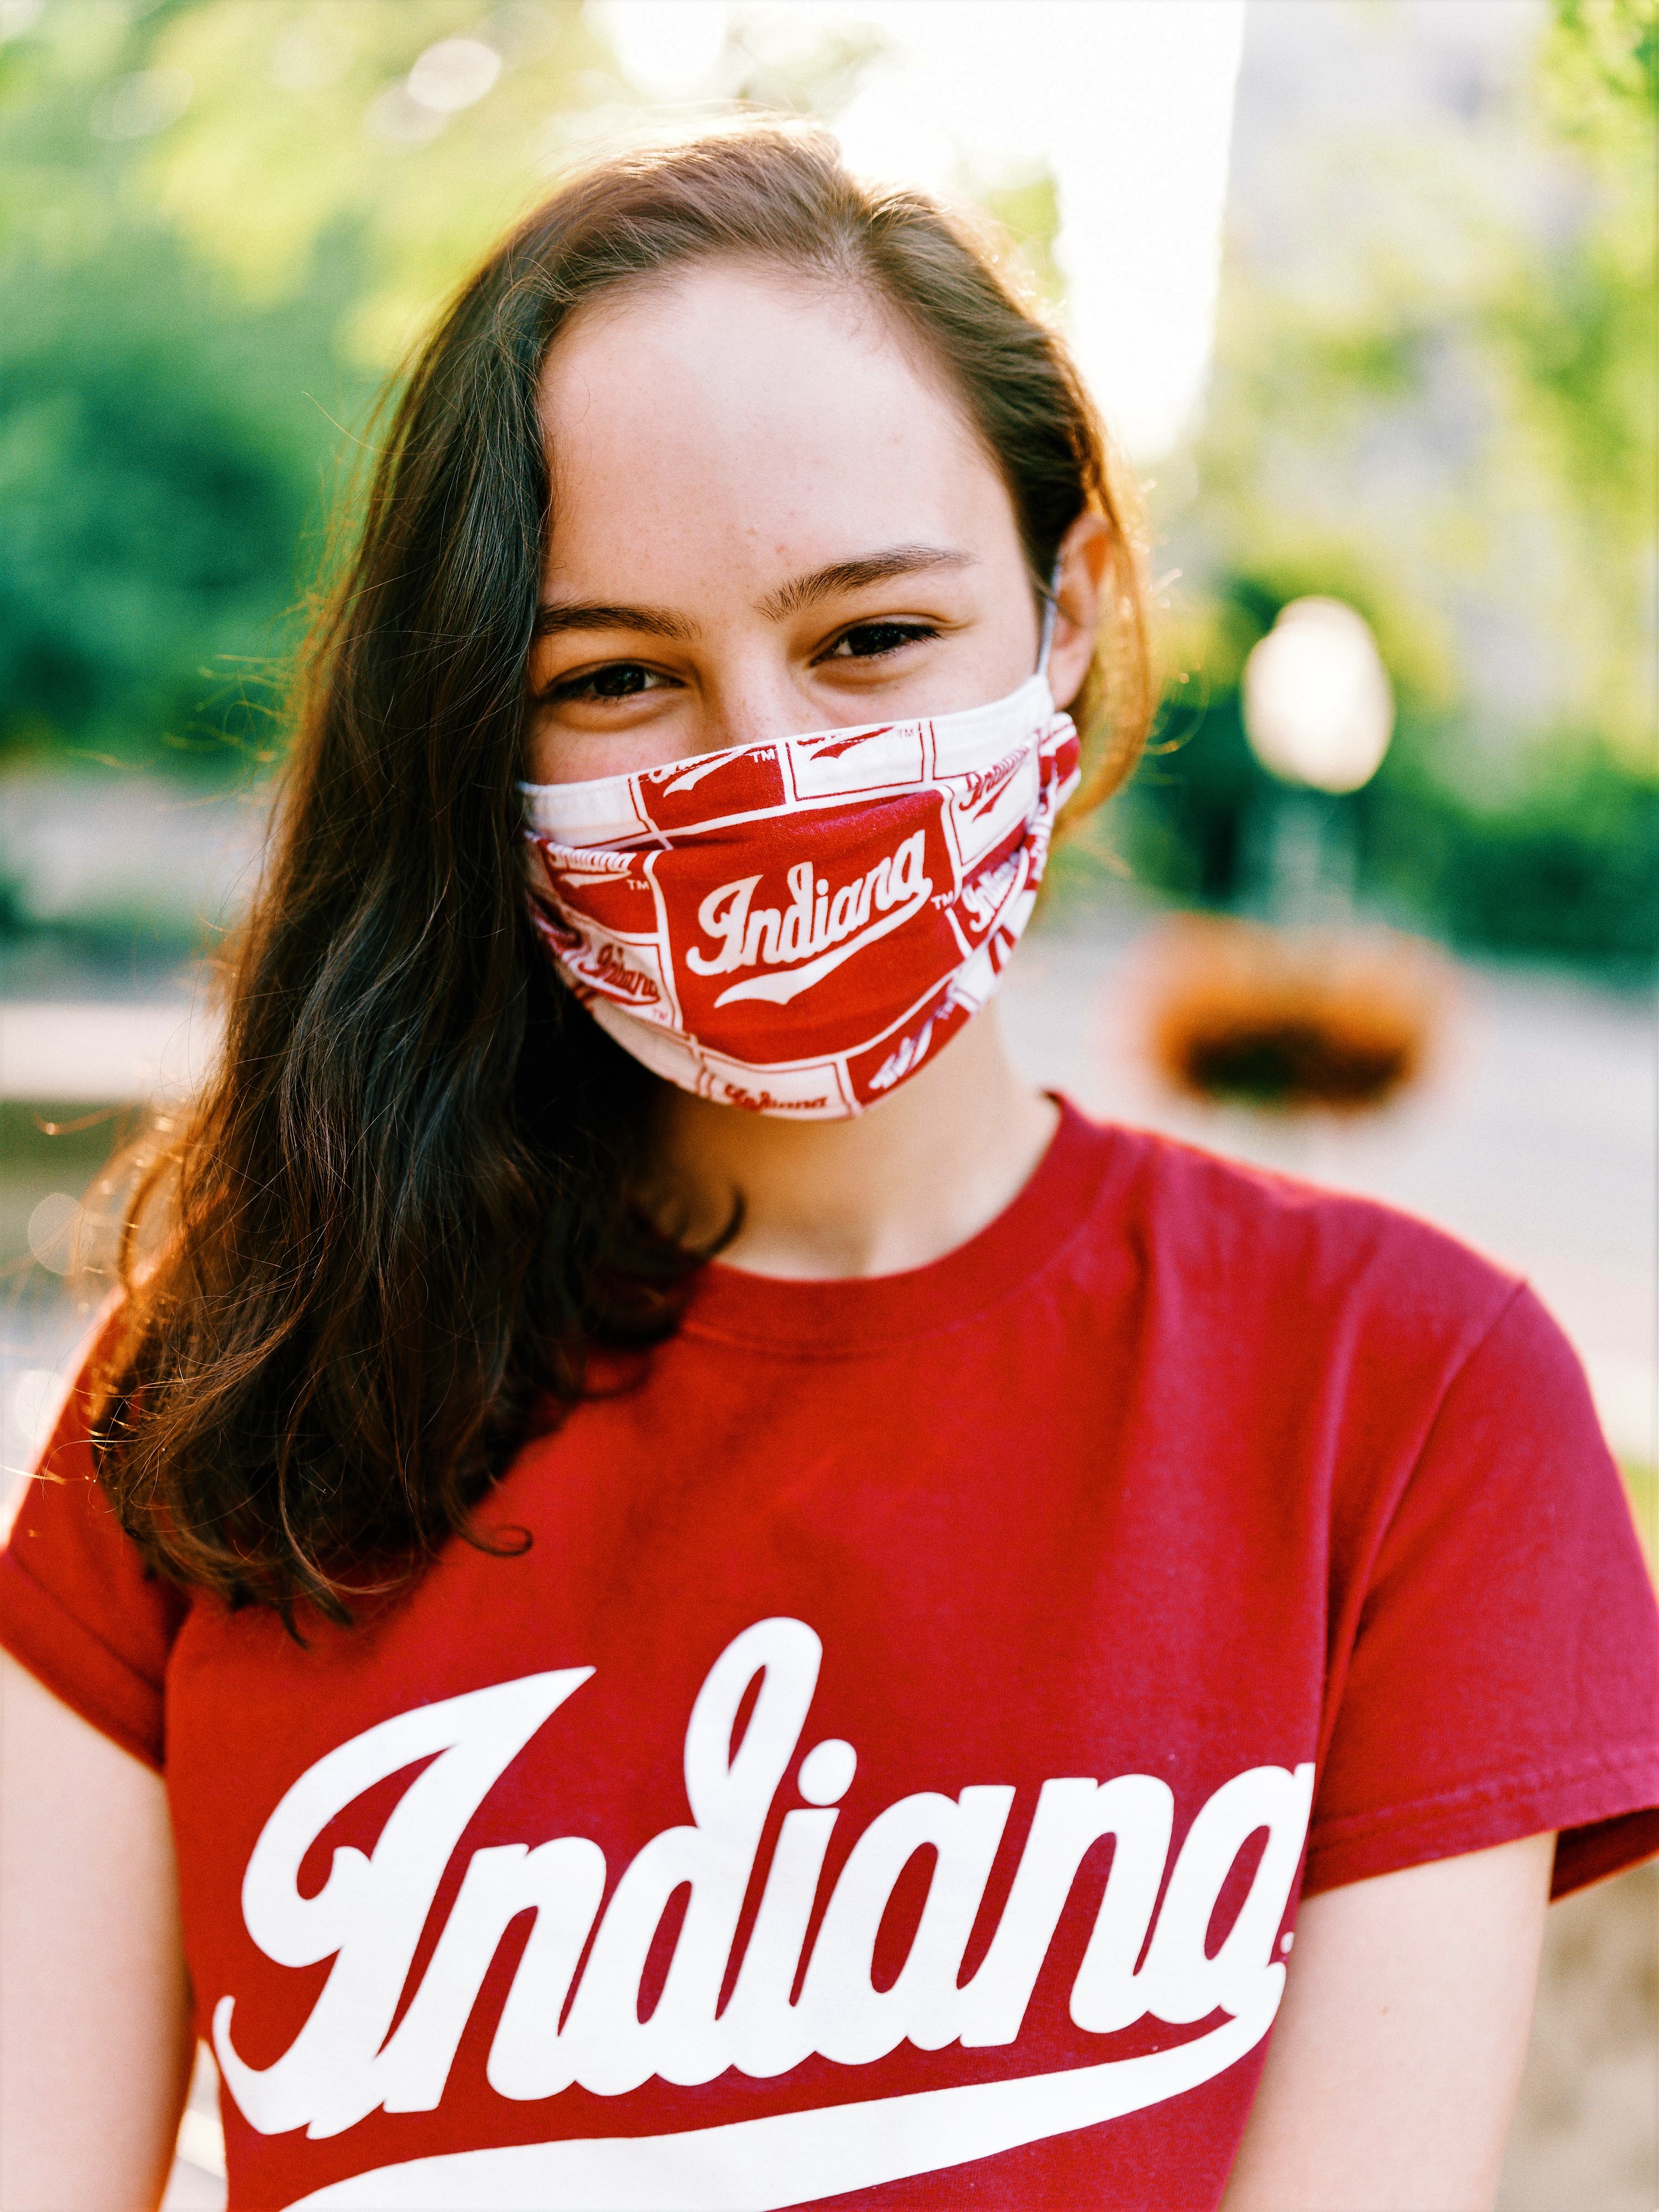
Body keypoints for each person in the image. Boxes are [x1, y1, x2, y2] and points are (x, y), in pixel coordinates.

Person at [1, 123, 1655, 2212]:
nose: (761, 773)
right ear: (473, 740)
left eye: (871, 637)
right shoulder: (230, 1393)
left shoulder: (1406, 1409)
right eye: (616, 679)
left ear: (1065, 617)